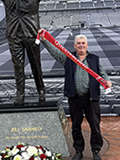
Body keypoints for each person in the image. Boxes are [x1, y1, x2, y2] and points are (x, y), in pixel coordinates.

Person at [39, 30, 112, 160]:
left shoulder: (94, 59)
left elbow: (102, 73)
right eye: (78, 43)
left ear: (87, 45)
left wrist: (107, 81)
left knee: (95, 126)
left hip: (91, 98)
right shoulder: (68, 58)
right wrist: (44, 40)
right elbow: (55, 52)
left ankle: (96, 150)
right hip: (75, 98)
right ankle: (79, 151)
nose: (81, 45)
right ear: (74, 46)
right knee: (76, 126)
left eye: (83, 43)